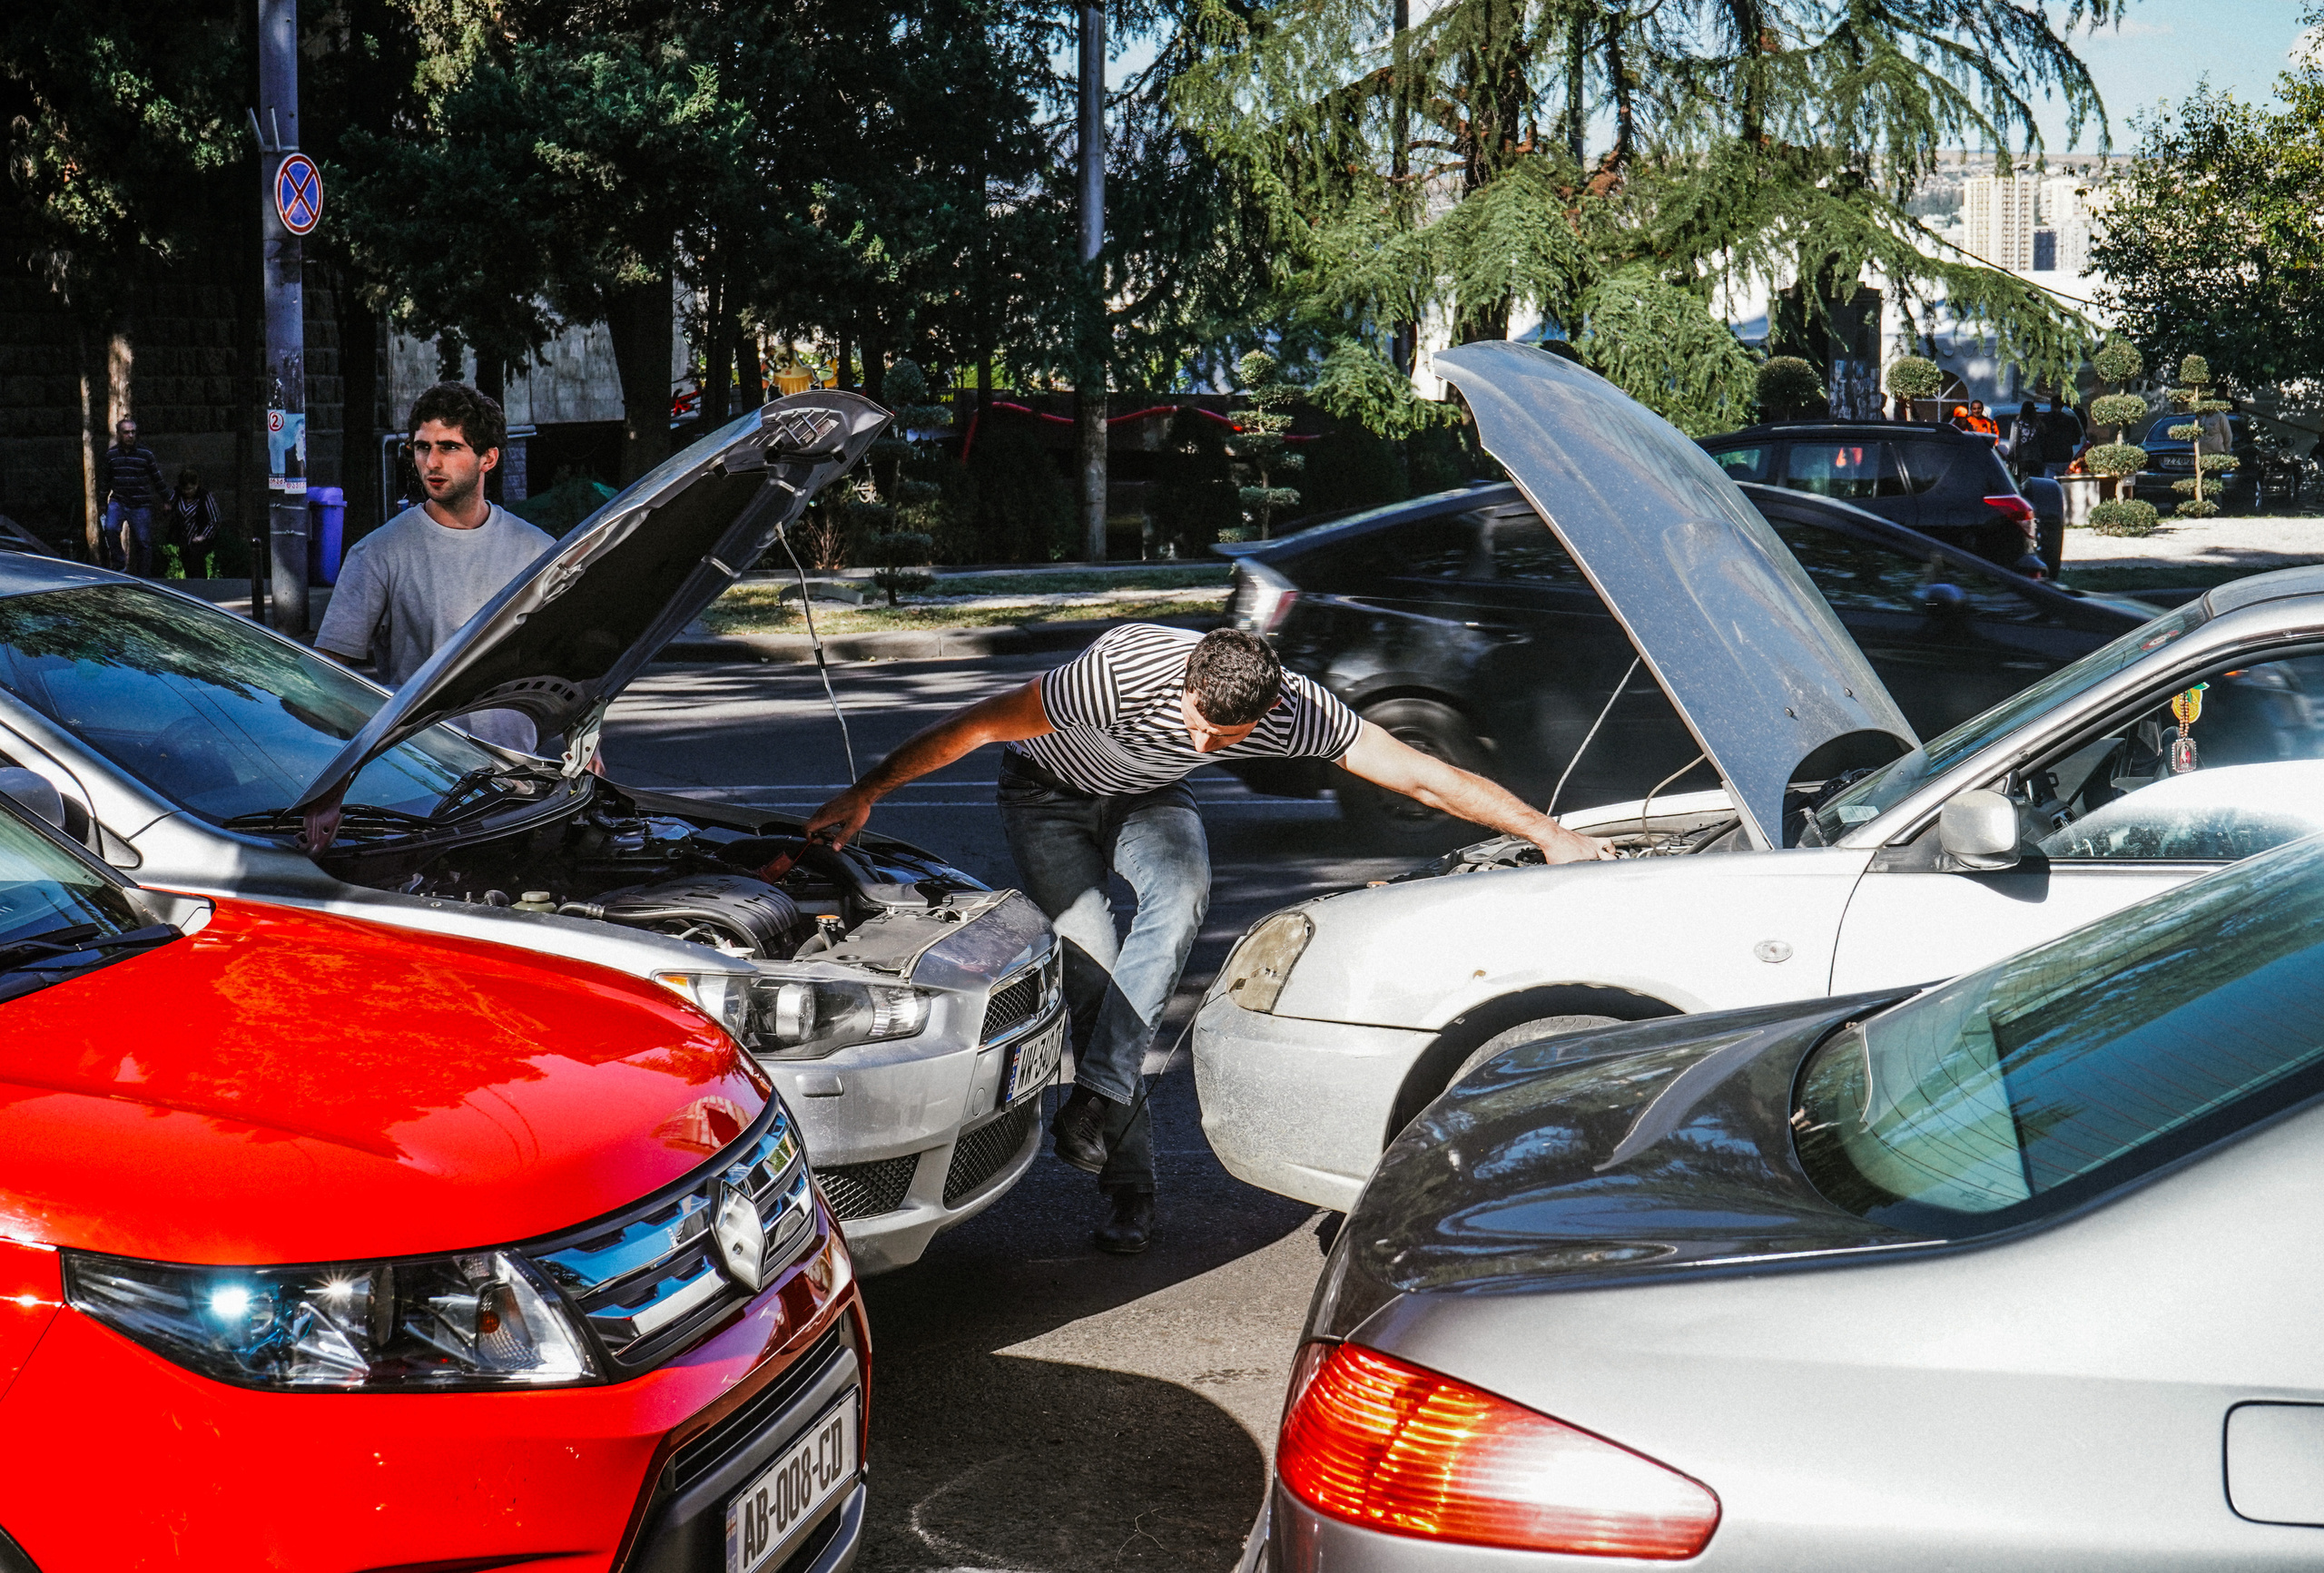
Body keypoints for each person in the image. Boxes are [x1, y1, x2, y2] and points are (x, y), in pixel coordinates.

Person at [803, 624, 1617, 1254]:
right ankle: (1129, 1180)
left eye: (1226, 739)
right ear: (1187, 683)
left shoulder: (1302, 708)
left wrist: (1547, 833)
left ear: (1267, 712)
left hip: (1149, 801)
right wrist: (865, 791)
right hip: (1046, 793)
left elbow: (1418, 774)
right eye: (1196, 722)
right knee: (1094, 969)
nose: (1203, 744)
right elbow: (976, 726)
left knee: (1184, 891)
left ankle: (1101, 1103)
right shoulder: (1113, 677)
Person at [314, 383, 551, 756]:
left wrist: (586, 740)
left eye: (449, 447)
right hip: (424, 778)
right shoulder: (378, 553)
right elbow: (326, 679)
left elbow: (567, 661)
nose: (432, 463)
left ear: (488, 458)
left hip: (517, 775)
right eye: (423, 447)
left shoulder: (537, 550)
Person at [100, 418, 167, 576]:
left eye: (133, 432)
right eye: (126, 432)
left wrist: (166, 499)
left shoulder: (145, 454)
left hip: (140, 503)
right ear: (119, 434)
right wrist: (102, 502)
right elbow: (105, 481)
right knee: (110, 529)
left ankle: (144, 575)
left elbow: (157, 478)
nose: (130, 436)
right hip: (118, 501)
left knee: (143, 542)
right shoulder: (112, 455)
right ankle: (119, 563)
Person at [170, 468, 223, 577]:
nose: (188, 492)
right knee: (187, 564)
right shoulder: (177, 495)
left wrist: (203, 536)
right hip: (184, 538)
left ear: (196, 485)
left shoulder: (205, 496)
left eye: (190, 489)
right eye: (185, 489)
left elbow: (215, 519)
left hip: (200, 537)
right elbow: (169, 506)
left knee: (197, 563)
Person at [2040, 394, 2086, 477]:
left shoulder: (2043, 420)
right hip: (2066, 458)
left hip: (2049, 460)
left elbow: (2039, 439)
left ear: (2051, 405)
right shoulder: (2071, 420)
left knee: (2049, 486)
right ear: (2062, 406)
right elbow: (2077, 440)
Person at [2004, 401, 2044, 483]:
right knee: (2036, 483)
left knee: (2023, 484)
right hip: (2036, 459)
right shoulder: (2039, 424)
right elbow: (2043, 442)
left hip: (2021, 459)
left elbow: (2013, 441)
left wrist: (2010, 457)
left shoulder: (2017, 423)